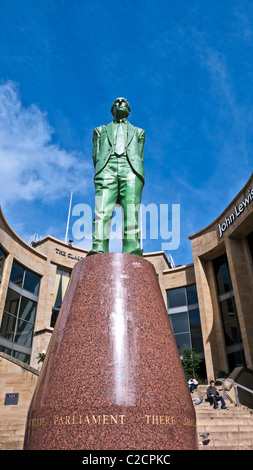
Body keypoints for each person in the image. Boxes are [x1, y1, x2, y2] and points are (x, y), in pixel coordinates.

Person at [87, 97, 145, 257]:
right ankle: (98, 247)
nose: (120, 102)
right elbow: (95, 155)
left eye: (124, 102)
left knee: (131, 211)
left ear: (129, 110)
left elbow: (140, 156)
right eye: (116, 102)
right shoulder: (100, 131)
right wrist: (102, 170)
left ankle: (132, 248)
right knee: (102, 210)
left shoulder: (139, 132)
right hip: (107, 168)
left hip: (131, 169)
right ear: (112, 109)